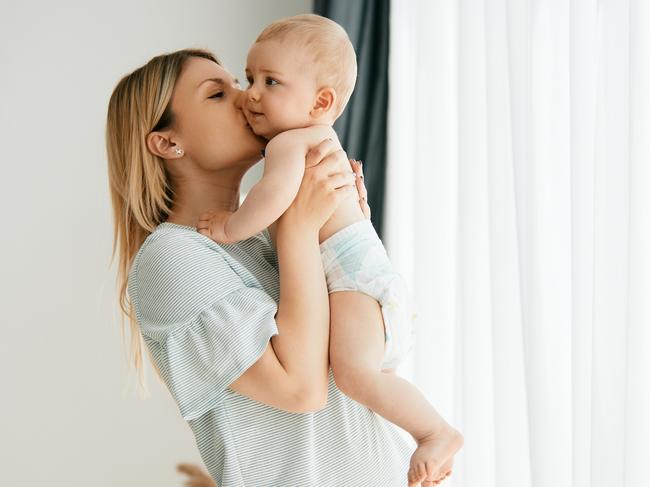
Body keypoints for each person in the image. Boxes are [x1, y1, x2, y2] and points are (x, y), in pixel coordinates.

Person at [106, 47, 448, 486]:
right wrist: (300, 227)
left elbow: (366, 366)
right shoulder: (170, 258)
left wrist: (348, 231)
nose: (247, 97)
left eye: (240, 83)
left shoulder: (267, 231)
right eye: (216, 94)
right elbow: (301, 389)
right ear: (168, 142)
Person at [197, 15, 463, 486]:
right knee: (359, 379)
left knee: (357, 378)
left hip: (354, 280)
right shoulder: (313, 141)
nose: (252, 93)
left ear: (322, 101)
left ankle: (435, 432)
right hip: (360, 280)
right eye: (251, 77)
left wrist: (229, 226)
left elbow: (274, 197)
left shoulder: (291, 143)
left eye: (271, 82)